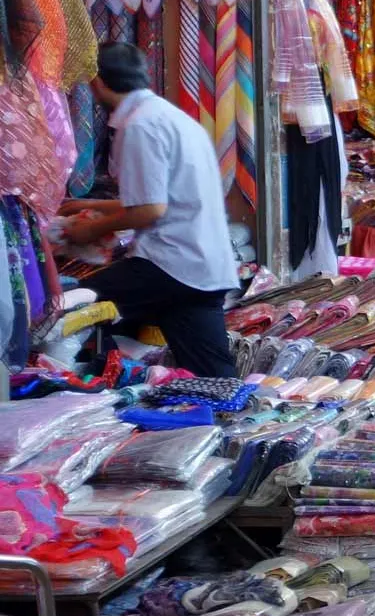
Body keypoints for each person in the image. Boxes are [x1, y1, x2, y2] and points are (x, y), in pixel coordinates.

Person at [60, 43, 240, 377]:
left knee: (68, 306)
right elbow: (164, 196)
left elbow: (151, 209)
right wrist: (92, 204)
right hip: (204, 266)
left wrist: (88, 230)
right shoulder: (171, 118)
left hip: (170, 264)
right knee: (214, 374)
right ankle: (233, 421)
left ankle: (83, 385)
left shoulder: (140, 125)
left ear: (97, 82)